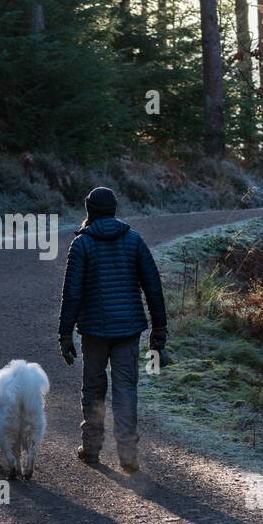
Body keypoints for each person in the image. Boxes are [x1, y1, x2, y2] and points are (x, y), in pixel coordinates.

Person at [57, 186, 168, 474]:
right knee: (125, 390)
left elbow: (71, 293)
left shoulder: (82, 244)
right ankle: (128, 454)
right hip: (128, 330)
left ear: (89, 210)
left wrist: (65, 334)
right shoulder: (133, 241)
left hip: (94, 331)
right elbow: (153, 287)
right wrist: (159, 331)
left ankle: (91, 450)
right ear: (114, 209)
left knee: (93, 389)